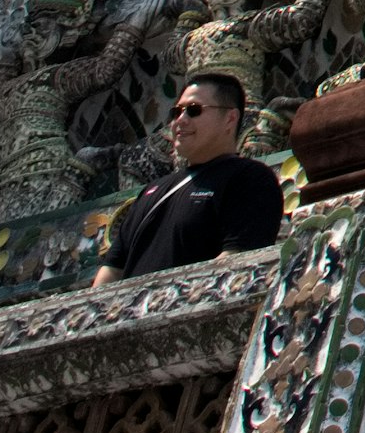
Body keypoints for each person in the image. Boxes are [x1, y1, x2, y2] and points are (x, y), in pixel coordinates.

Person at [90, 74, 285, 282]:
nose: (180, 121)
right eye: (176, 112)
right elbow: (113, 269)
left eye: (194, 110)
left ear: (230, 118)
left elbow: (237, 262)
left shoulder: (249, 178)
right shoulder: (151, 191)